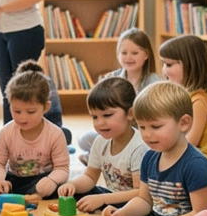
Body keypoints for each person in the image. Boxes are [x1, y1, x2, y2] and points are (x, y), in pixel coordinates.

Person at [107, 81, 207, 216]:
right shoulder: (149, 158)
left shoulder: (195, 164)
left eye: (156, 127)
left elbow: (200, 214)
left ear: (184, 123)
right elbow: (145, 201)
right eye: (142, 127)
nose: (146, 134)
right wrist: (121, 213)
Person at [56, 77, 147, 208]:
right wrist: (72, 185)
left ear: (130, 113)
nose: (99, 123)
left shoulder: (139, 147)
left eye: (107, 115)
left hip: (135, 206)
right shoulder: (100, 141)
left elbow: (140, 193)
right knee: (76, 193)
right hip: (112, 197)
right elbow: (90, 177)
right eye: (94, 117)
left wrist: (103, 199)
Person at [0, 61, 70, 197]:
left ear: (46, 107)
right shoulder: (6, 132)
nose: (23, 118)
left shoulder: (55, 134)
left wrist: (52, 180)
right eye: (17, 111)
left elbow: (62, 168)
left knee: (65, 189)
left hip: (43, 180)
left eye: (31, 112)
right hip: (15, 181)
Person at [78, 28, 164, 152]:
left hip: (141, 134)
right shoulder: (110, 78)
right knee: (85, 140)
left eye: (135, 53)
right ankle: (101, 156)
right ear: (118, 54)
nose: (128, 57)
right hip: (114, 131)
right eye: (124, 53)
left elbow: (157, 115)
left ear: (146, 54)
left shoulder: (155, 82)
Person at [159, 35, 207, 170]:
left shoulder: (198, 101)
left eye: (169, 64)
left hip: (201, 168)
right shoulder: (183, 98)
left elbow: (190, 142)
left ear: (190, 65)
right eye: (163, 64)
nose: (164, 70)